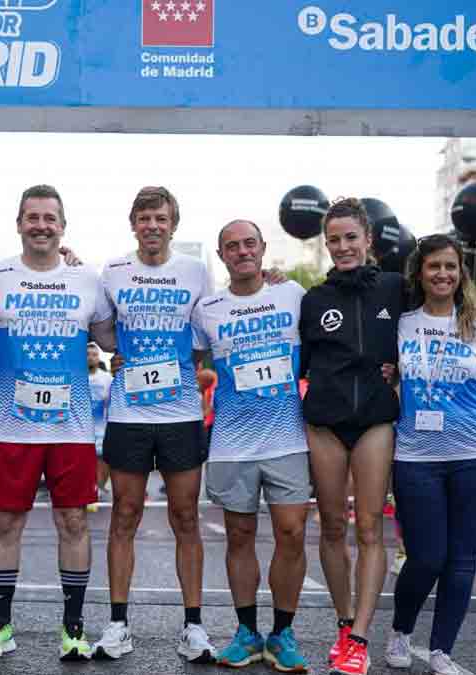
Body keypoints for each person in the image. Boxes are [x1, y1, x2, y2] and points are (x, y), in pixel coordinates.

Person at [0, 185, 115, 661]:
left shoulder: (86, 280)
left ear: (63, 226)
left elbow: (113, 337)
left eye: (50, 218)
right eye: (32, 217)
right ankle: (0, 624)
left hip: (70, 430)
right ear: (18, 223)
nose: (41, 225)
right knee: (6, 522)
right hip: (12, 427)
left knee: (73, 521)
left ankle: (73, 628)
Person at [93, 186, 216, 663]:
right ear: (133, 223)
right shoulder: (115, 270)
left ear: (173, 224)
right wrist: (115, 354)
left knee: (186, 516)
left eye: (160, 218)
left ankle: (194, 626)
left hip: (181, 414)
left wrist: (179, 365)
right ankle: (118, 623)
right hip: (127, 414)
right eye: (144, 218)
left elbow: (205, 335)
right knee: (124, 513)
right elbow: (103, 329)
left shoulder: (195, 271)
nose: (152, 226)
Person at [383, 234, 476, 675]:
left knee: (462, 561)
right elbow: (386, 380)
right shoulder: (401, 323)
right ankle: (400, 631)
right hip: (416, 460)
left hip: (474, 456)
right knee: (426, 557)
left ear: (461, 275)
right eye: (434, 266)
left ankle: (442, 651)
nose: (443, 274)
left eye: (451, 267)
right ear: (420, 272)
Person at [194, 220, 311, 673]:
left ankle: (282, 634)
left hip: (286, 439)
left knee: (292, 533)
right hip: (231, 443)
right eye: (232, 246)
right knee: (239, 536)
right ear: (222, 255)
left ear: (263, 250)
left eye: (249, 244)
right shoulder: (209, 309)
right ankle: (247, 633)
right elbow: (190, 363)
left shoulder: (293, 295)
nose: (242, 251)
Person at [298, 197, 405, 675]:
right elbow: (295, 359)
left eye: (351, 238)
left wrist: (400, 367)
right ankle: (344, 623)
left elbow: (441, 311)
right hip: (324, 420)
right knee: (331, 526)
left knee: (368, 527)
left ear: (368, 240)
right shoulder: (312, 299)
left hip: (376, 419)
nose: (343, 247)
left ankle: (361, 636)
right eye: (334, 240)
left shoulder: (396, 287)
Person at [87, 342, 113, 501]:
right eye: (88, 354)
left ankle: (99, 487)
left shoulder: (107, 379)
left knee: (103, 460)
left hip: (102, 429)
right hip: (79, 430)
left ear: (98, 358)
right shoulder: (76, 376)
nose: (91, 357)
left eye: (94, 354)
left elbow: (112, 404)